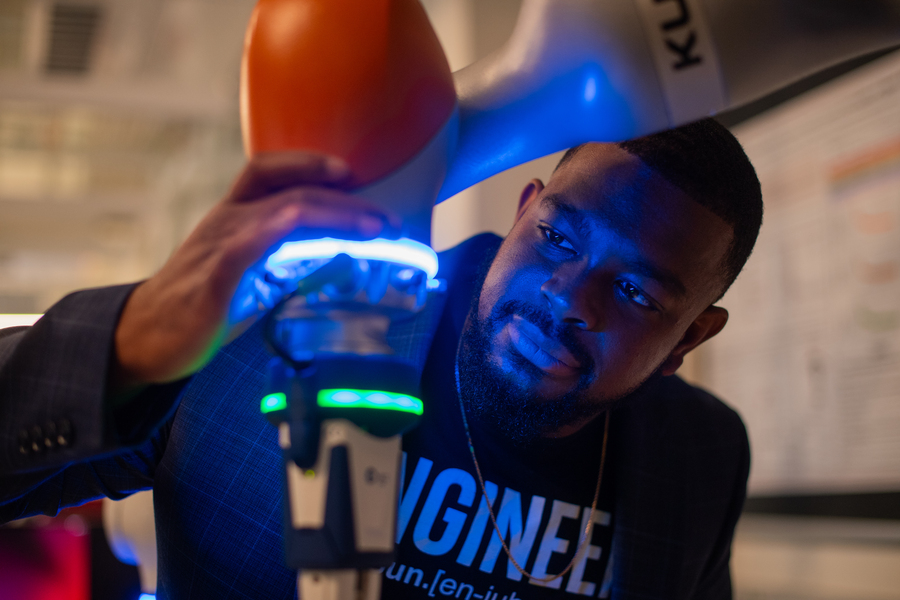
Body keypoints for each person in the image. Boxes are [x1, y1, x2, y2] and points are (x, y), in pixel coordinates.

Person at [0, 118, 761, 600]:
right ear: (525, 209)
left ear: (691, 338)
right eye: (558, 239)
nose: (569, 298)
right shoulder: (273, 334)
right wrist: (134, 336)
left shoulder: (703, 455)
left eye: (634, 291)